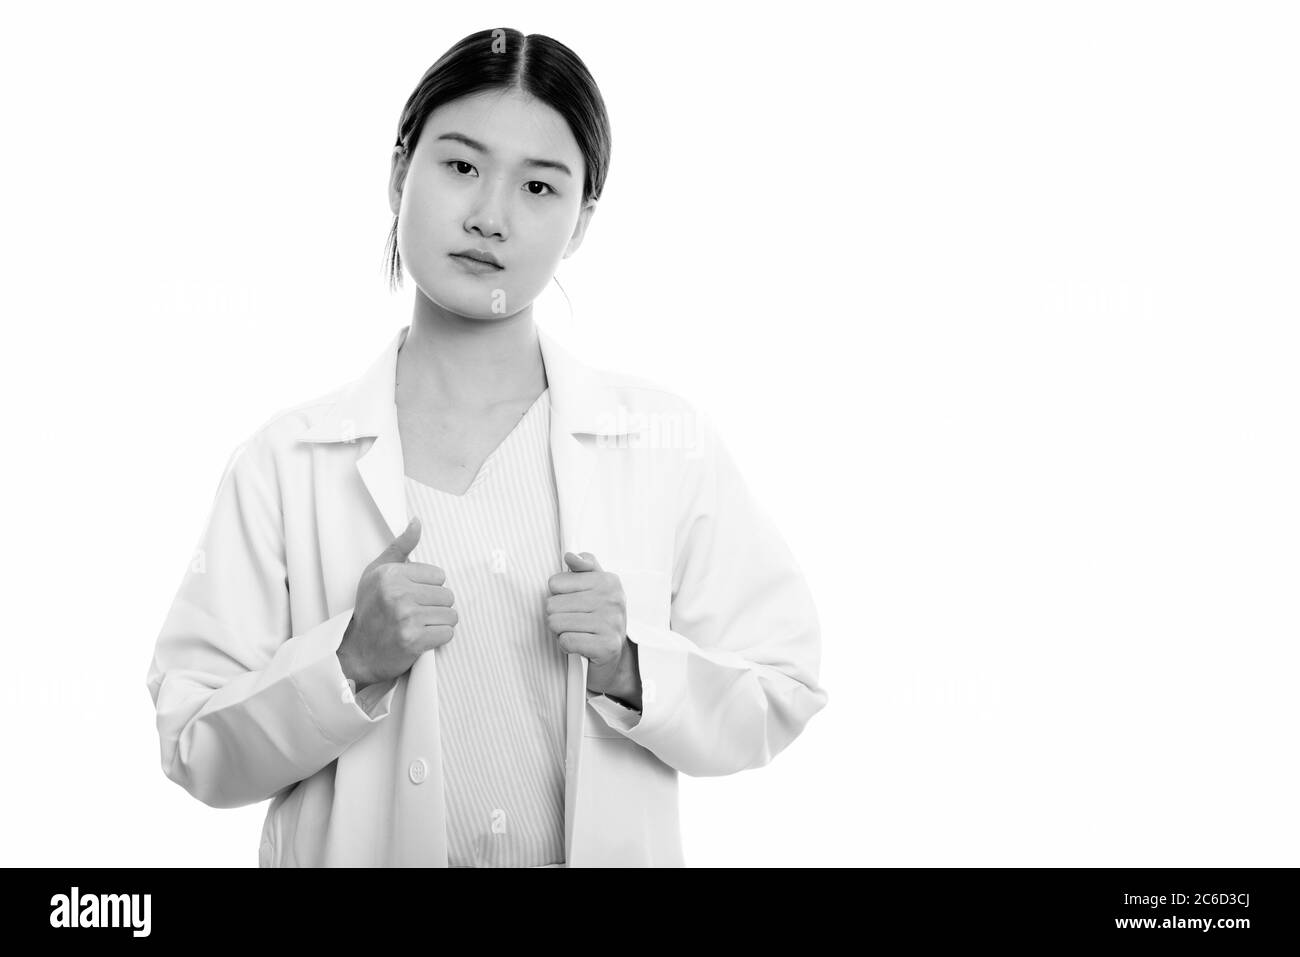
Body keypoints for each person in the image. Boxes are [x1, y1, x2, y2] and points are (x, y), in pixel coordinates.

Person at [145, 26, 828, 868]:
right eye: (461, 166)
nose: (489, 216)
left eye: (540, 186)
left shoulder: (661, 444)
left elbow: (785, 683)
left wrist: (629, 665)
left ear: (580, 222)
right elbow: (192, 742)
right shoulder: (287, 461)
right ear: (400, 172)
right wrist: (348, 661)